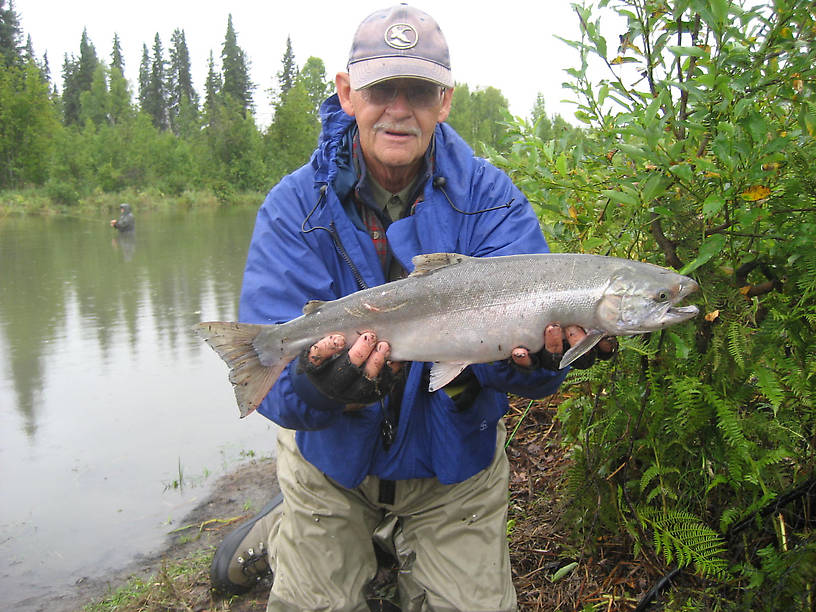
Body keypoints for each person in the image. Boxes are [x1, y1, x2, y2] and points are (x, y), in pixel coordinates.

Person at [211, 5, 616, 610]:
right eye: (381, 88)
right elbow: (284, 399)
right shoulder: (293, 208)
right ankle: (296, 526)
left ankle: (383, 539)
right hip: (332, 464)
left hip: (454, 466)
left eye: (420, 90)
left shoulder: (492, 201)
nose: (399, 108)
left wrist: (543, 362)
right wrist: (325, 386)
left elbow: (515, 371)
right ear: (348, 92)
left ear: (444, 101)